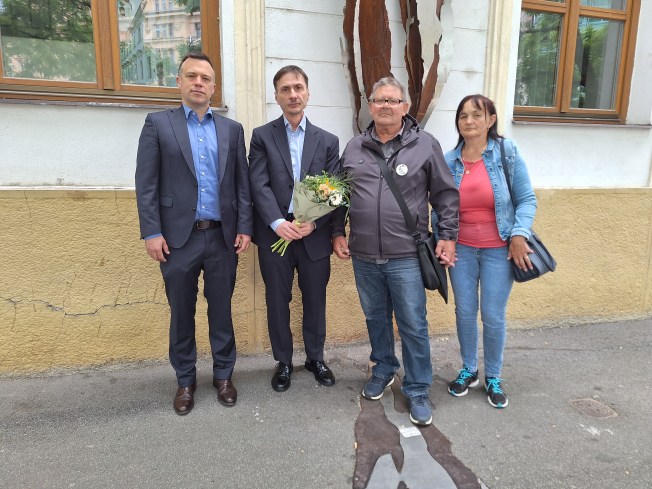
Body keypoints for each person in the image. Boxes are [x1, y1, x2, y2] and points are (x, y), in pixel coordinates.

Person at [332, 77, 459, 426]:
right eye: (379, 100)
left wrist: (448, 235)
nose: (385, 106)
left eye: (393, 100)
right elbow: (338, 196)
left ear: (405, 107)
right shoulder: (354, 147)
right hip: (363, 254)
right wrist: (336, 233)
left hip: (406, 255)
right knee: (375, 318)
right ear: (369, 106)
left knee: (413, 324)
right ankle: (384, 368)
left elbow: (446, 195)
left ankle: (418, 389)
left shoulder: (425, 145)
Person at [135, 52, 253, 415]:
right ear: (179, 82)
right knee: (181, 312)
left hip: (221, 237)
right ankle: (185, 380)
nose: (199, 83)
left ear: (214, 88)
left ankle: (223, 376)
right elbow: (146, 183)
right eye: (191, 76)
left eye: (205, 78)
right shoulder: (158, 124)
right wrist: (151, 231)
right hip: (176, 241)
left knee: (221, 311)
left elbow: (241, 184)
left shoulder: (231, 130)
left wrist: (245, 227)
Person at [440, 94, 537, 408]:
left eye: (476, 115)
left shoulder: (506, 153)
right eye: (463, 115)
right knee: (465, 313)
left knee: (493, 316)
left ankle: (493, 375)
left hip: (499, 250)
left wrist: (520, 234)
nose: (469, 121)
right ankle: (469, 369)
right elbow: (440, 206)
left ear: (491, 120)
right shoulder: (449, 159)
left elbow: (526, 200)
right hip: (462, 251)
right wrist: (445, 237)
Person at [249, 65, 340, 392]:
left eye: (298, 87)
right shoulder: (261, 136)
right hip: (275, 234)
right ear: (277, 96)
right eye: (285, 89)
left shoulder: (328, 141)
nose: (293, 94)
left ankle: (315, 358)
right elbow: (258, 184)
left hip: (313, 236)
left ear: (308, 92)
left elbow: (332, 190)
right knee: (277, 299)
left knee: (315, 299)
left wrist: (313, 221)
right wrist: (277, 223)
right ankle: (284, 361)